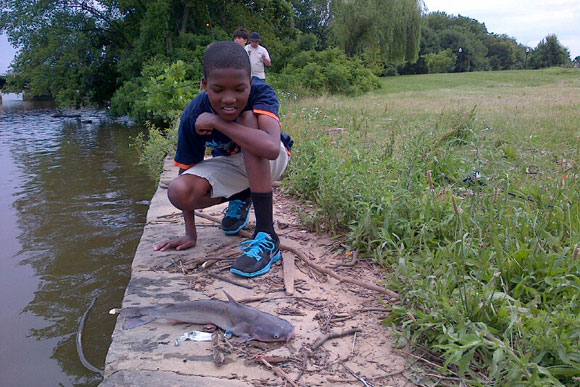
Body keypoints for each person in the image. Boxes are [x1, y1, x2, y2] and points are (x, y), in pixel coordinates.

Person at [154, 41, 293, 278]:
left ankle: (267, 235)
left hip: (272, 161)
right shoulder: (193, 113)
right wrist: (190, 234)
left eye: (239, 90)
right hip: (236, 168)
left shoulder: (261, 92)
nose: (229, 99)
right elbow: (187, 168)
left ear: (250, 83)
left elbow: (270, 148)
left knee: (247, 119)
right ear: (205, 85)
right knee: (179, 191)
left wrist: (218, 122)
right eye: (218, 90)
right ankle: (243, 195)